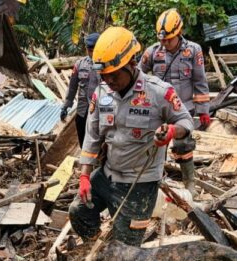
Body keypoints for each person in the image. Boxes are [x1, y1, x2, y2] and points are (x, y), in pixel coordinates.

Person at [68, 26, 194, 247]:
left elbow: (185, 121)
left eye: (114, 75)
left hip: (139, 184)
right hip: (107, 176)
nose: (109, 81)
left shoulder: (159, 92)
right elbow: (92, 136)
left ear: (132, 63)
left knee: (126, 247)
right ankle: (99, 250)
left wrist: (173, 131)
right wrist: (85, 176)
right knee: (78, 211)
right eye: (104, 76)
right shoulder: (102, 94)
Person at [140, 9, 210, 195]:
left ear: (178, 33)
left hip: (183, 108)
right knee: (156, 145)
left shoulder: (193, 51)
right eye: (162, 39)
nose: (164, 43)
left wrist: (203, 109)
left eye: (168, 40)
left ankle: (189, 182)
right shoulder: (152, 52)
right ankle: (155, 184)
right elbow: (137, 76)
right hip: (158, 109)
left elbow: (200, 80)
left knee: (183, 146)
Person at [60, 32, 101, 147]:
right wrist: (66, 106)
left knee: (98, 140)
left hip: (100, 110)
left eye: (94, 49)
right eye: (89, 49)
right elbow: (72, 87)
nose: (91, 52)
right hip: (83, 109)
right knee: (82, 139)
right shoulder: (80, 64)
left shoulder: (106, 65)